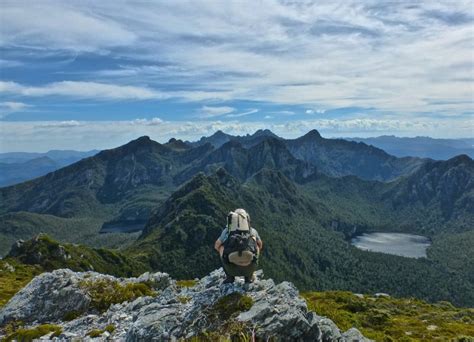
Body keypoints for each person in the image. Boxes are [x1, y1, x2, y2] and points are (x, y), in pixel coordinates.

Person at [214, 208, 263, 284]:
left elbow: (216, 246)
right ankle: (248, 277)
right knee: (256, 246)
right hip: (249, 268)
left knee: (221, 247)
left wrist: (228, 254)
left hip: (231, 269)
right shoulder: (253, 231)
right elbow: (260, 245)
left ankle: (230, 277)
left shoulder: (227, 232)